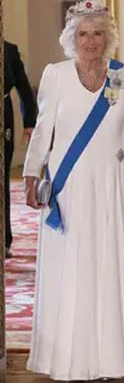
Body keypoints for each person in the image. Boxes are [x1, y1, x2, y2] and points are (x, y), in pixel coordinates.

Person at [22, 0, 124, 380]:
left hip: (110, 180)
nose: (91, 41)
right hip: (67, 182)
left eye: (98, 34)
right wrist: (31, 173)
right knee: (70, 262)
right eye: (83, 34)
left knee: (108, 261)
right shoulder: (56, 74)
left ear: (108, 38)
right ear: (71, 38)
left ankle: (109, 358)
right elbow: (44, 128)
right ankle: (67, 357)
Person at [3, 40, 37, 258]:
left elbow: (24, 87)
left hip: (3, 118)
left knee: (2, 178)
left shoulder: (9, 50)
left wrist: (29, 122)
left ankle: (4, 240)